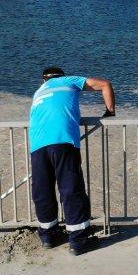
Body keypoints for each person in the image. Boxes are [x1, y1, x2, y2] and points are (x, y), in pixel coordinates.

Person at [28, 66, 116, 255]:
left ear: (44, 80)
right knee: (71, 189)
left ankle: (48, 236)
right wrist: (110, 111)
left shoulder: (38, 92)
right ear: (63, 76)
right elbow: (104, 84)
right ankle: (78, 240)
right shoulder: (69, 81)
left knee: (42, 190)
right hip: (63, 140)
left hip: (37, 145)